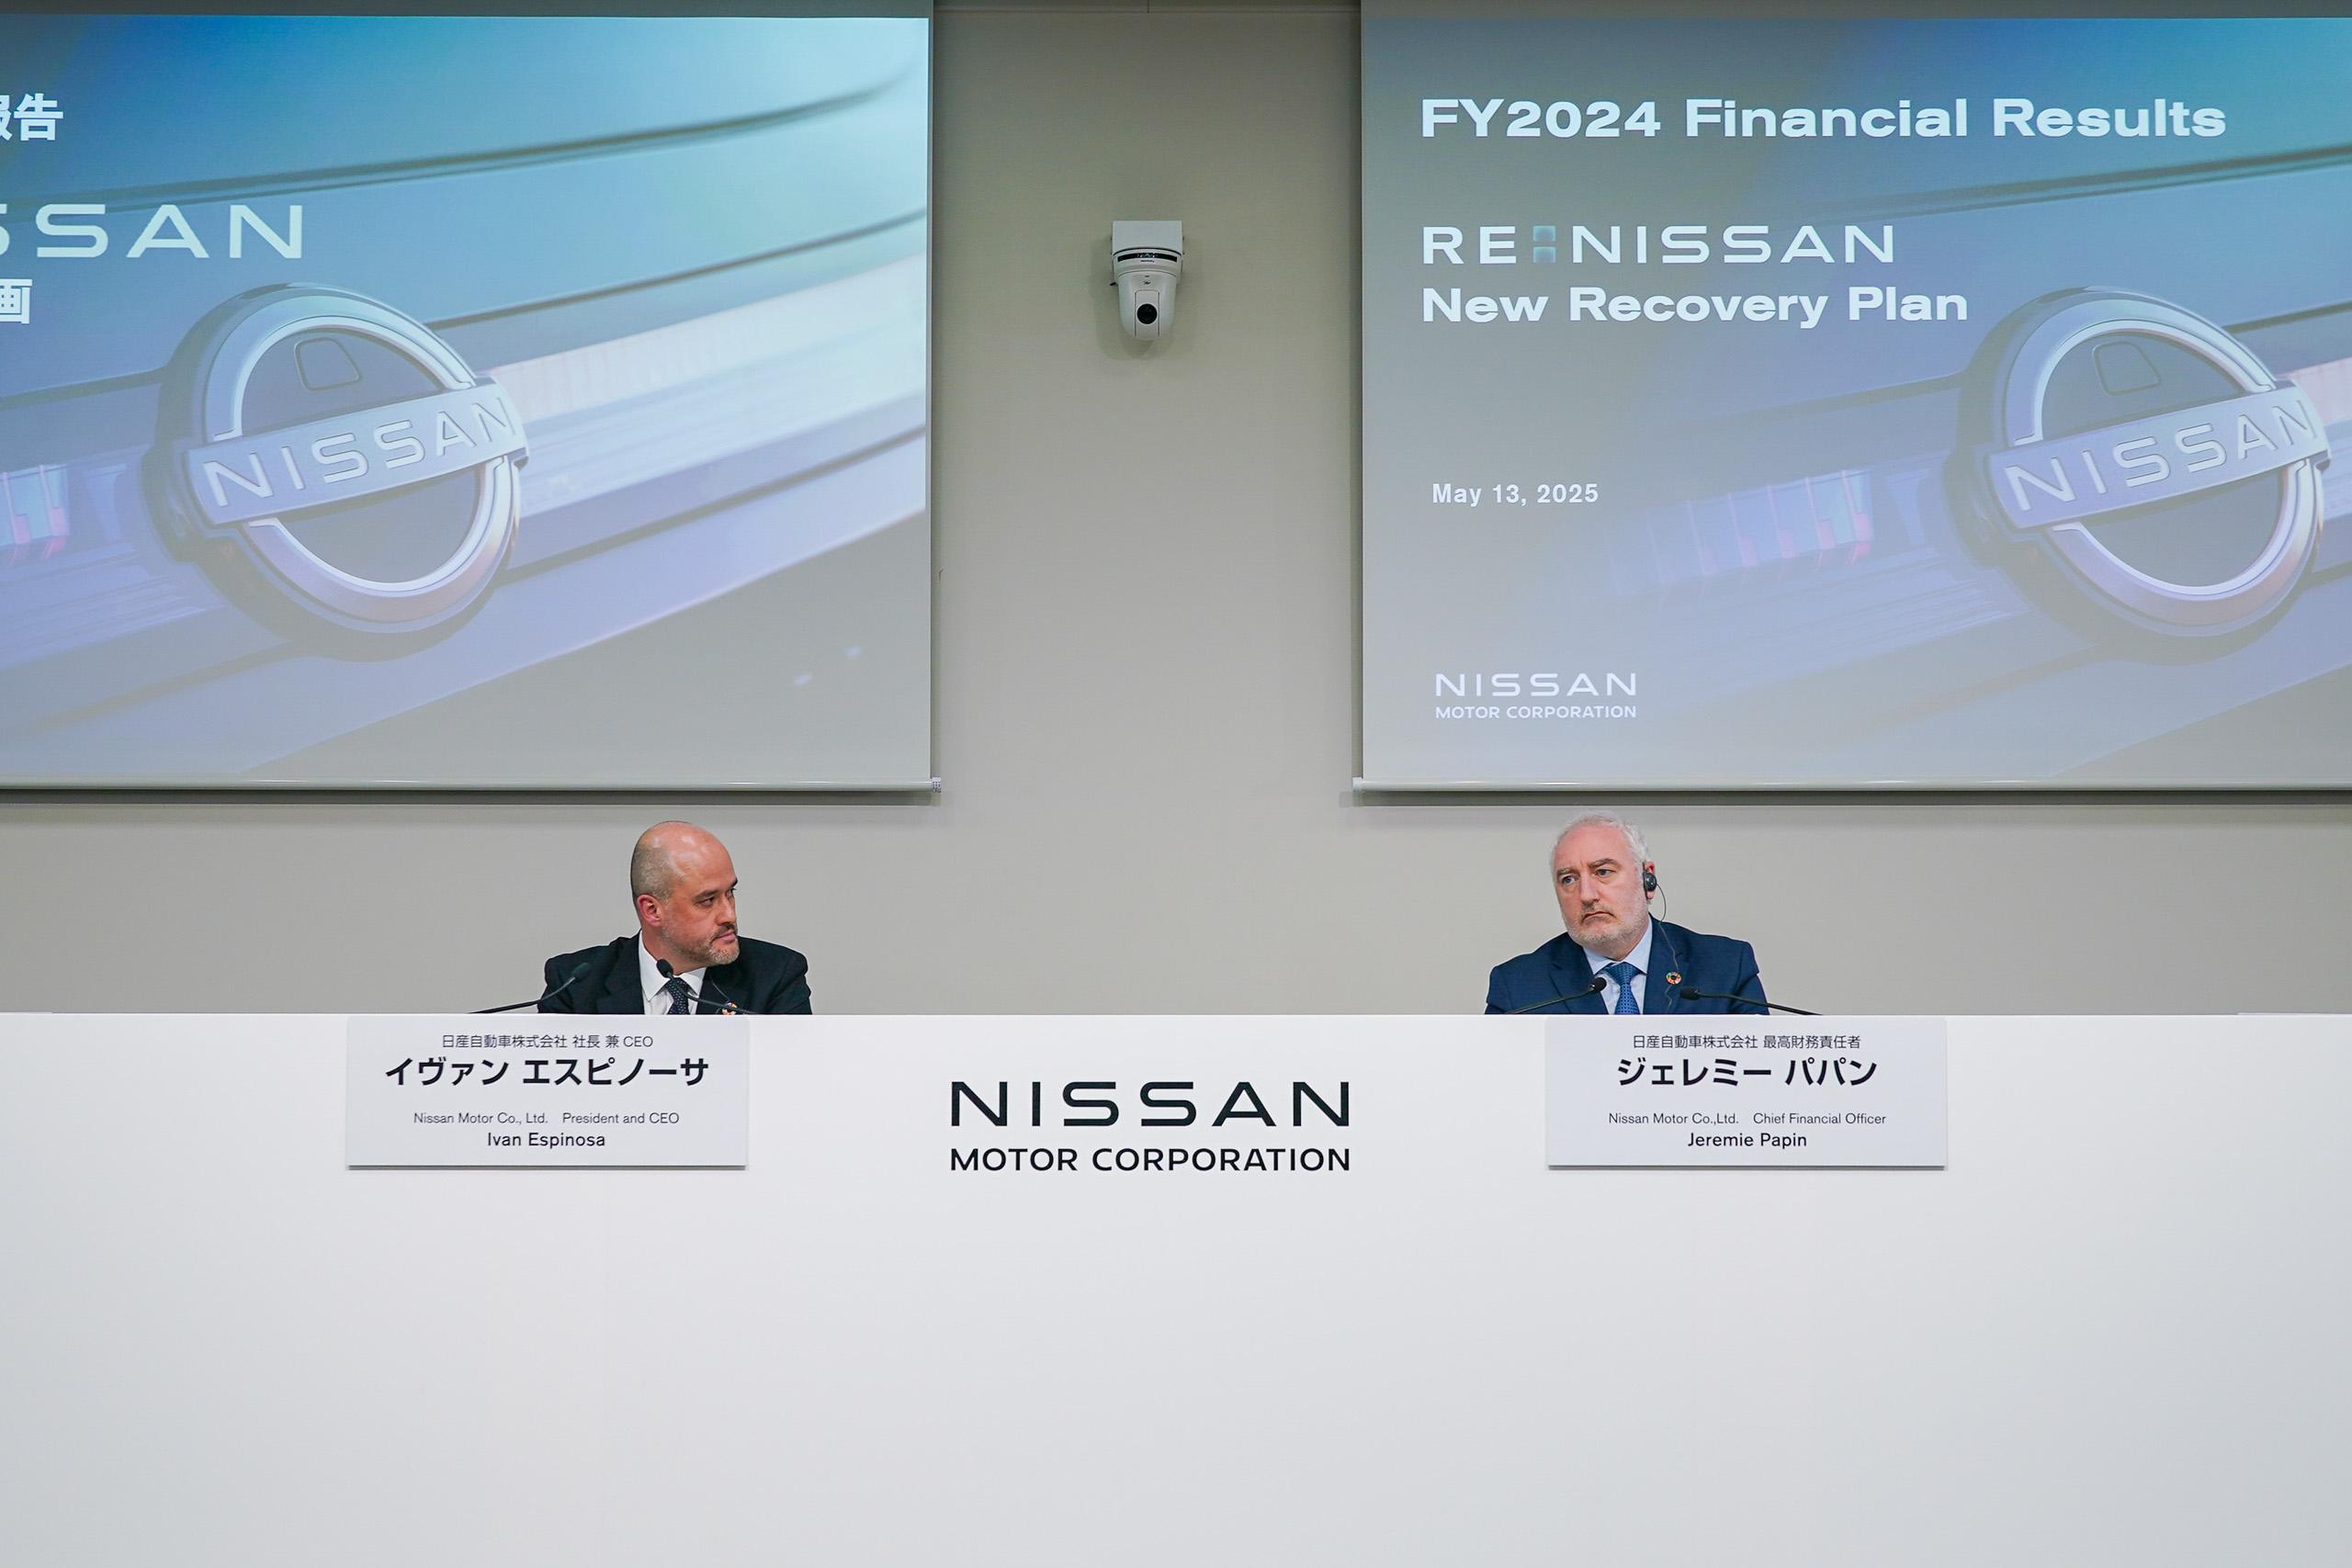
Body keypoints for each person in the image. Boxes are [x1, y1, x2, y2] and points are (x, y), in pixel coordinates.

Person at [1486, 810, 1764, 1015]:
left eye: (1603, 872)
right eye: (1568, 879)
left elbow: (1762, 1071)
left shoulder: (1725, 968)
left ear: (1647, 879)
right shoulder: (1518, 987)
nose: (1586, 895)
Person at [539, 821, 812, 1014]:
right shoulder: (574, 985)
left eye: (730, 893)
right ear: (652, 910)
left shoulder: (775, 976)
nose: (729, 914)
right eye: (707, 901)